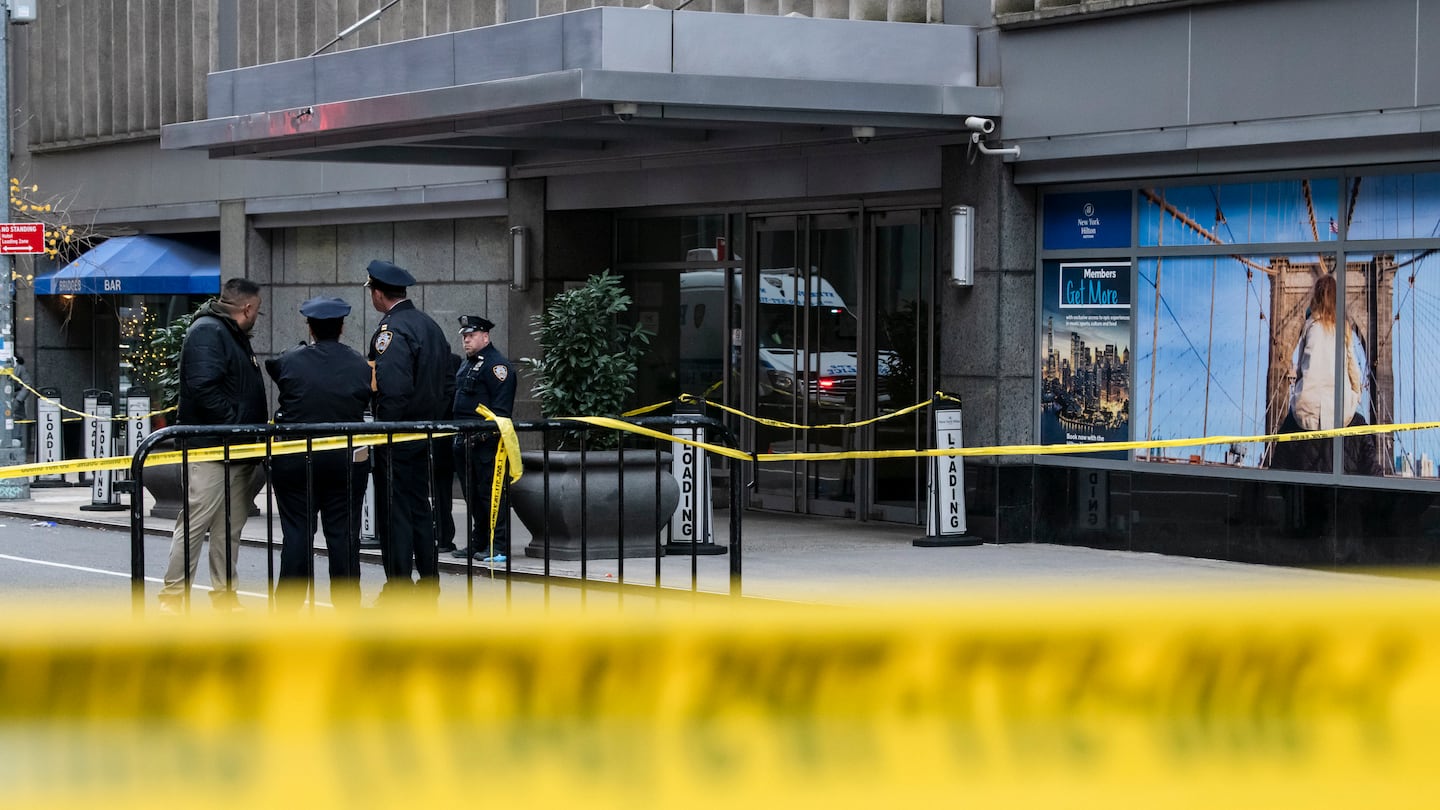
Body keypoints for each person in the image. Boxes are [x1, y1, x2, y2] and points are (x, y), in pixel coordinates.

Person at [157, 278, 267, 614]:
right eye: (257, 311)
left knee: (227, 529)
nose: (257, 318)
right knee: (196, 523)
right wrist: (236, 425)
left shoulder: (227, 334)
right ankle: (173, 599)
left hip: (232, 448)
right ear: (247, 308)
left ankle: (224, 596)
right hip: (214, 448)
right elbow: (204, 387)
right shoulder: (210, 331)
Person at [264, 296, 373, 610]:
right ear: (342, 326)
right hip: (344, 461)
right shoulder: (359, 364)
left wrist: (301, 349)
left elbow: (275, 366)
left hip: (296, 460)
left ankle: (287, 610)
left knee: (297, 532)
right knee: (343, 536)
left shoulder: (291, 361)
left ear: (309, 327)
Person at [365, 259, 451, 604]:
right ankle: (429, 576)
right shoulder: (430, 326)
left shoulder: (393, 330)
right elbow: (447, 383)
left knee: (395, 510)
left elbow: (393, 389)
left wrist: (386, 431)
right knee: (420, 507)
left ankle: (398, 580)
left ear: (378, 293)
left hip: (398, 435)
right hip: (425, 432)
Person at [1272, 274, 1376, 474]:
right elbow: (1353, 370)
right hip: (1341, 414)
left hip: (1306, 414)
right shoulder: (1344, 329)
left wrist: (1301, 393)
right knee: (1364, 442)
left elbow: (1301, 369)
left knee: (1281, 455)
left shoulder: (1308, 326)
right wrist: (1354, 397)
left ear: (1316, 298)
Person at [451, 315, 517, 562]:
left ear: (485, 336)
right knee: (473, 497)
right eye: (464, 336)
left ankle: (498, 546)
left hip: (487, 444)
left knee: (493, 495)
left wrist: (483, 436)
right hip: (465, 442)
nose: (466, 340)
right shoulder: (469, 364)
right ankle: (479, 541)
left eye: (471, 335)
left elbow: (501, 411)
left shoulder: (497, 366)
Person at [433, 351, 463, 554]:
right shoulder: (454, 363)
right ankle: (443, 537)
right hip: (447, 439)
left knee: (441, 492)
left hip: (443, 440)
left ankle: (443, 537)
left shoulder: (447, 363)